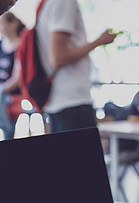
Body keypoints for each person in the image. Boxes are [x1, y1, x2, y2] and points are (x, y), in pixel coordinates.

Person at [35, 0, 118, 133]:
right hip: (72, 101)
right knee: (83, 153)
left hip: (60, 100)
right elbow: (58, 58)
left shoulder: (45, 4)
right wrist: (99, 41)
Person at [0, 11, 24, 139]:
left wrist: (2, 90)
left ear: (12, 24)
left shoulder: (20, 46)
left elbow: (17, 78)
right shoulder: (0, 45)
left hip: (13, 95)